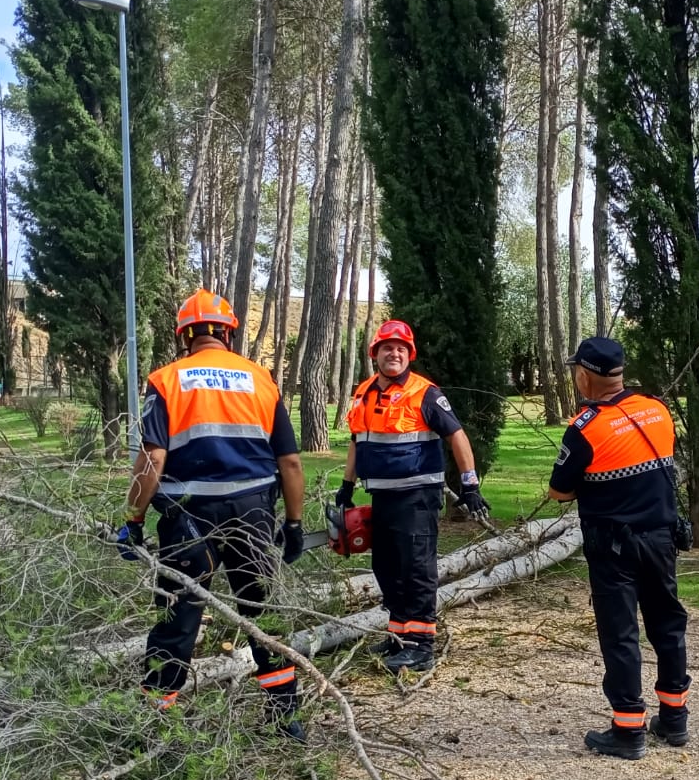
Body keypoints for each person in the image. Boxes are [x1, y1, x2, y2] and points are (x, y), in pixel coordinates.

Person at [117, 289, 308, 737]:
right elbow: (291, 463)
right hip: (253, 513)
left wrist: (132, 520)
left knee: (177, 617)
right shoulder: (261, 379)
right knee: (263, 614)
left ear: (185, 335)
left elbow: (152, 459)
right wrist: (294, 524)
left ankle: (154, 724)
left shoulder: (166, 380)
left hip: (188, 517)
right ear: (227, 331)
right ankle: (286, 718)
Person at [547, 336, 690, 760]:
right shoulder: (657, 410)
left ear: (586, 375)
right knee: (667, 624)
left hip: (613, 545)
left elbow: (559, 492)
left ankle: (628, 729)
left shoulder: (584, 429)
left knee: (621, 632)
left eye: (576, 370)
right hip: (661, 538)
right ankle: (675, 719)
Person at [339, 319, 490, 673]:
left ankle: (421, 645)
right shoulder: (364, 392)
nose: (394, 353)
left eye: (401, 349)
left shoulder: (425, 393)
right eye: (387, 348)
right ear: (374, 353)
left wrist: (470, 485)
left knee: (416, 568)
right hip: (381, 496)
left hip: (417, 497)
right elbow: (357, 442)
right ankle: (399, 634)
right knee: (386, 567)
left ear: (409, 355)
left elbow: (458, 437)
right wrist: (347, 486)